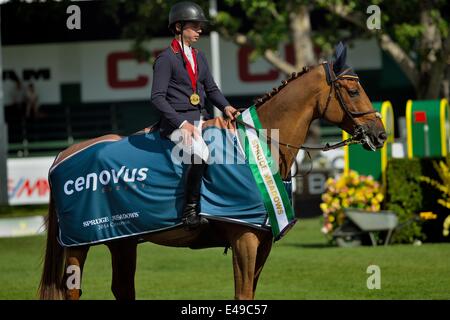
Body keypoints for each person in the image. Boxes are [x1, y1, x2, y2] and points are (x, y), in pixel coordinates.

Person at [151, 1, 240, 229]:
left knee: (228, 147)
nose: (200, 30)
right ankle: (189, 212)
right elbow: (157, 97)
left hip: (200, 118)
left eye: (201, 26)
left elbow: (211, 89)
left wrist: (227, 106)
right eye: (195, 26)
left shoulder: (199, 56)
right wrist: (181, 123)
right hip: (176, 124)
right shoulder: (166, 59)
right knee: (200, 153)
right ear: (179, 27)